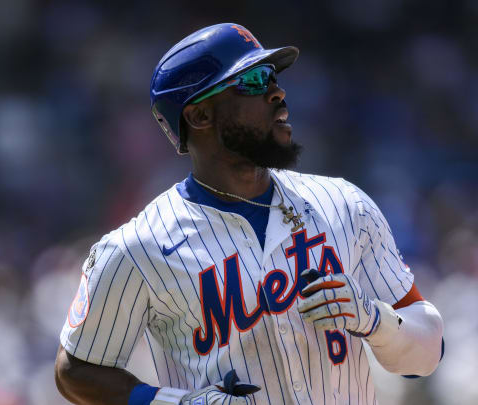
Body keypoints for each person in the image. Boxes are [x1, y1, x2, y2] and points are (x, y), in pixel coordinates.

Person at [54, 23, 444, 405]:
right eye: (255, 80)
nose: (278, 93)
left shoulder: (344, 204)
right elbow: (75, 371)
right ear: (199, 116)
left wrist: (374, 321)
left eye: (273, 77)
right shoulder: (138, 248)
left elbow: (427, 355)